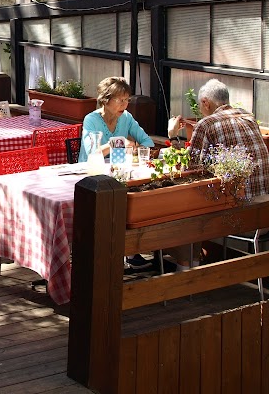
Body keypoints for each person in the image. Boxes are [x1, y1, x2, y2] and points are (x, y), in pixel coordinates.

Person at [166, 78, 269, 269]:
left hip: (238, 216)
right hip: (264, 214)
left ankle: (187, 272)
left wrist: (173, 136)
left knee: (182, 209)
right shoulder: (248, 117)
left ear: (206, 102)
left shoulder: (207, 124)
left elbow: (189, 171)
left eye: (200, 104)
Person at [78, 76, 154, 162]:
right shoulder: (91, 120)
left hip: (117, 169)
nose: (125, 105)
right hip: (91, 170)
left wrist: (136, 151)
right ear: (105, 100)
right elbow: (92, 153)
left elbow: (148, 142)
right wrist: (117, 142)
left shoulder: (126, 117)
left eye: (127, 100)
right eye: (120, 100)